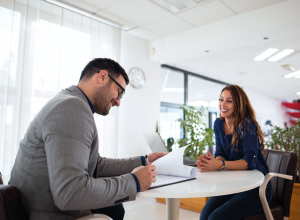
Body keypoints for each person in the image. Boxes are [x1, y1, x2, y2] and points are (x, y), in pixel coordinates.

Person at [9, 58, 166, 220]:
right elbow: (70, 192)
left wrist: (144, 161)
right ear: (102, 77)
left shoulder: (69, 101)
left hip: (35, 204)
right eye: (120, 92)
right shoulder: (71, 107)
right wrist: (134, 182)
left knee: (114, 208)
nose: (118, 102)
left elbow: (95, 164)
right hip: (42, 212)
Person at [196, 85, 272, 220]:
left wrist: (219, 164)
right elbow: (221, 153)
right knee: (204, 215)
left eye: (229, 101)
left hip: (257, 187)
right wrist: (212, 163)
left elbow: (249, 162)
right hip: (235, 183)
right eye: (221, 99)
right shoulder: (218, 124)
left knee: (215, 218)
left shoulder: (246, 125)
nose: (222, 104)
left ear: (238, 104)